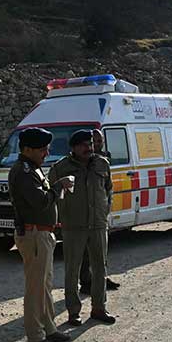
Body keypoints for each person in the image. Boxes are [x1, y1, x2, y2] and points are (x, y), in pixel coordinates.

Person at [7, 128, 75, 342]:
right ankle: (35, 337)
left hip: (41, 234)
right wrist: (59, 185)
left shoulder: (32, 168)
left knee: (44, 285)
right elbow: (40, 201)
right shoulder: (24, 171)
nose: (47, 153)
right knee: (35, 288)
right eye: (42, 149)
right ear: (28, 149)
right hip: (33, 234)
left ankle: (48, 327)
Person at [48, 130, 117, 326]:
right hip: (73, 226)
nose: (88, 148)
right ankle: (73, 312)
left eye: (90, 144)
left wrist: (104, 213)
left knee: (100, 268)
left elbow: (108, 190)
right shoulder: (61, 168)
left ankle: (99, 308)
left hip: (97, 225)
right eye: (83, 145)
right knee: (72, 270)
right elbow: (51, 195)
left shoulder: (102, 164)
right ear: (73, 148)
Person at [80, 128, 121, 294]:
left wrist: (106, 208)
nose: (96, 144)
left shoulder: (103, 160)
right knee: (86, 252)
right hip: (85, 215)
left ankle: (101, 278)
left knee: (101, 250)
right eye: (94, 141)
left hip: (100, 213)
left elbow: (108, 188)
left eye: (99, 141)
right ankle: (86, 281)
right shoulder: (82, 162)